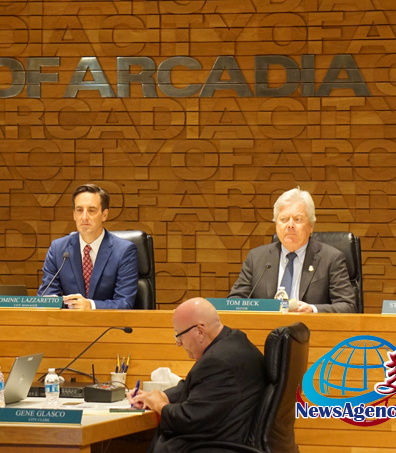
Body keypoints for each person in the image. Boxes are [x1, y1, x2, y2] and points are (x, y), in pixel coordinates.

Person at [128, 298, 265, 452]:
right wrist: (160, 396)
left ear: (199, 332)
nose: (179, 344)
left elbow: (188, 420)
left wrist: (160, 405)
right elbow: (199, 385)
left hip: (215, 446)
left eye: (179, 336)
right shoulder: (234, 343)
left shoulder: (218, 361)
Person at [228, 187, 356, 313]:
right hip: (267, 325)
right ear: (276, 224)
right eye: (283, 219)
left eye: (297, 219)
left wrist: (312, 310)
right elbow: (234, 302)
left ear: (311, 226)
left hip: (309, 325)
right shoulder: (256, 258)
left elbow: (347, 306)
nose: (290, 225)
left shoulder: (331, 259)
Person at [38, 184, 139, 309]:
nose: (84, 217)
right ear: (74, 215)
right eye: (79, 210)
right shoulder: (58, 249)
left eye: (91, 210)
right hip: (67, 320)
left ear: (104, 215)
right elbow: (46, 295)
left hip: (108, 321)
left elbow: (124, 303)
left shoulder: (124, 251)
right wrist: (50, 302)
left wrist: (90, 305)